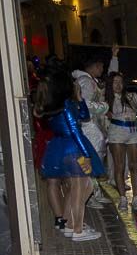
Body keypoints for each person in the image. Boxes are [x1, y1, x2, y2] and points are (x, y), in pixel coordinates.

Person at [39, 70, 105, 241]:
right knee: (79, 188)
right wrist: (86, 155)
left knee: (85, 186)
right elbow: (75, 131)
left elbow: (85, 116)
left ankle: (70, 224)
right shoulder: (66, 105)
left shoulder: (54, 104)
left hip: (62, 147)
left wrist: (80, 98)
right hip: (74, 148)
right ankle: (77, 229)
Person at [72, 47, 117, 207]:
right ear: (95, 66)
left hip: (93, 126)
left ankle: (94, 192)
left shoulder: (90, 81)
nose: (102, 70)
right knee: (92, 159)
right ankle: (90, 195)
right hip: (89, 126)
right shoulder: (86, 82)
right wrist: (104, 107)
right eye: (101, 66)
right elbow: (83, 104)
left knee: (95, 159)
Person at [105, 70, 137, 211]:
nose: (118, 85)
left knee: (134, 166)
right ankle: (122, 198)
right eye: (115, 82)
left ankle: (136, 199)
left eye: (120, 82)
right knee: (119, 166)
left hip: (133, 131)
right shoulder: (106, 99)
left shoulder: (132, 96)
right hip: (116, 132)